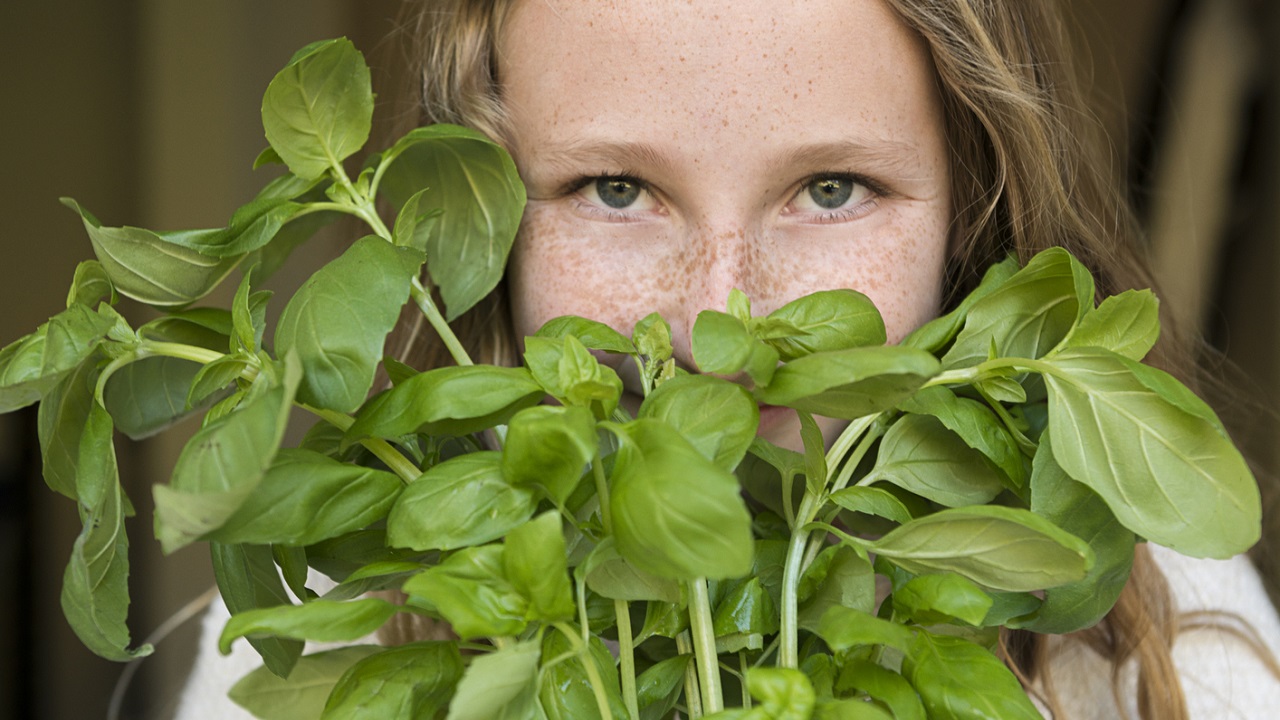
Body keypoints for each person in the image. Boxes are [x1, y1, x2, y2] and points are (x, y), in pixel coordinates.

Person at [176, 1, 1280, 718]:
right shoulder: (289, 655)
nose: (719, 327)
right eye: (614, 189)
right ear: (484, 224)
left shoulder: (1166, 643)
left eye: (831, 190)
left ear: (973, 212)